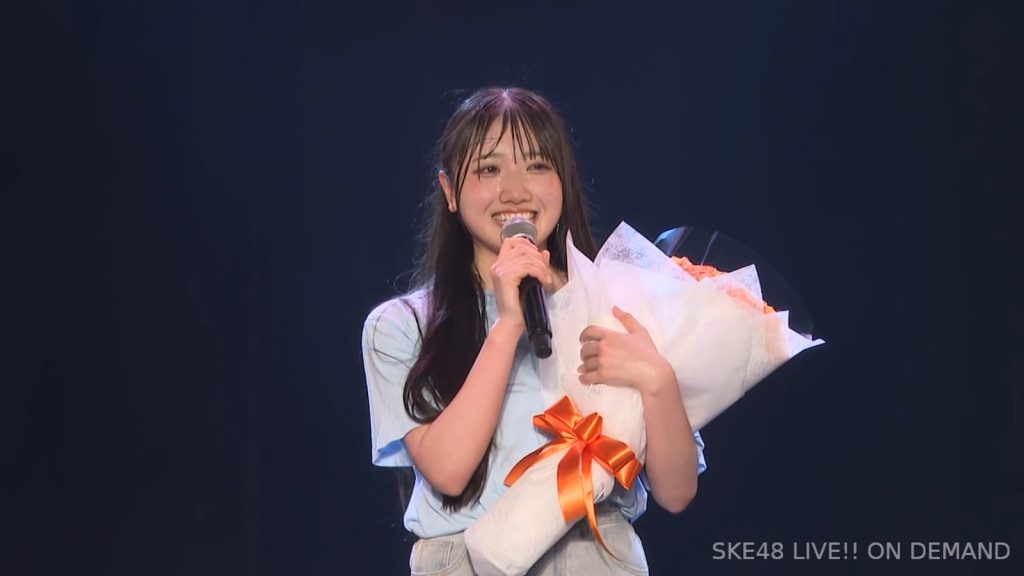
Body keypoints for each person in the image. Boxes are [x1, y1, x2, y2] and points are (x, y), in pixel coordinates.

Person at [362, 87, 706, 575]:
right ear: (450, 191)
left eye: (538, 165)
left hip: (598, 554)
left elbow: (676, 492)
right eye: (489, 169)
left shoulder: (615, 302)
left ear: (564, 181)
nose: (515, 191)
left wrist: (658, 380)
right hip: (466, 560)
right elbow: (449, 471)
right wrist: (508, 326)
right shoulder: (402, 325)